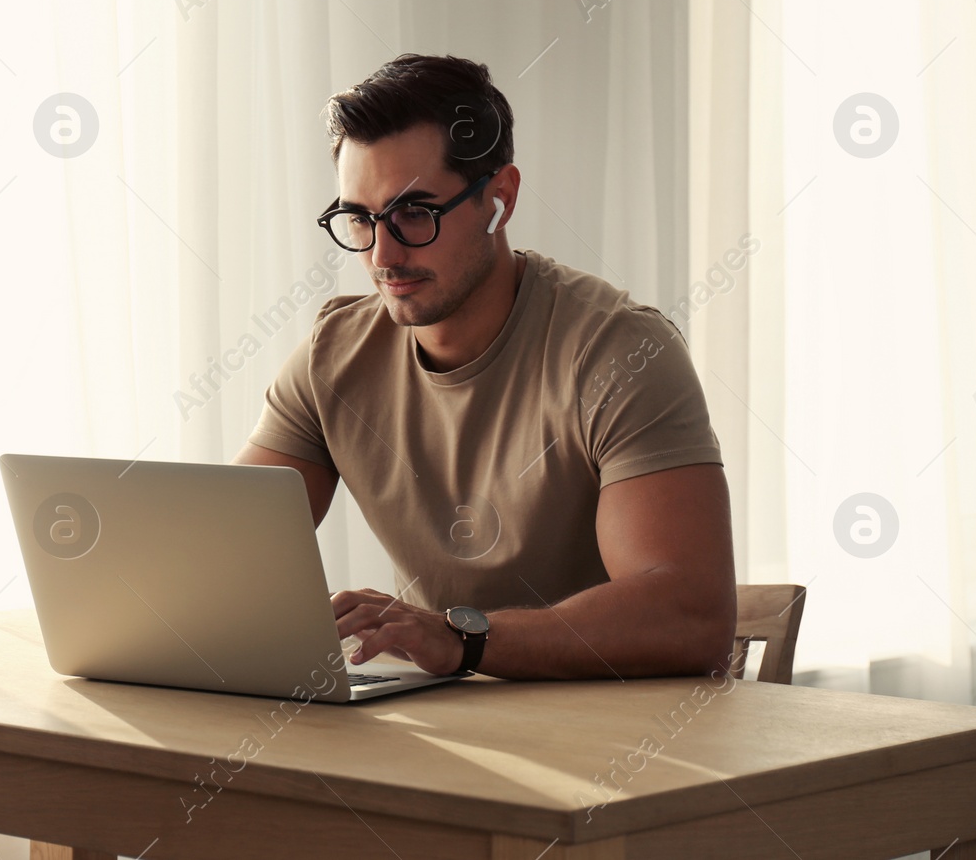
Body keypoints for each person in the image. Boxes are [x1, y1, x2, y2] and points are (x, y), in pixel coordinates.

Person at [233, 53, 735, 681]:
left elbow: (690, 616)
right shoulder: (333, 356)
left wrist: (462, 639)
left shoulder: (619, 351)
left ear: (500, 197)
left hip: (623, 741)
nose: (382, 254)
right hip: (451, 733)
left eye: (415, 213)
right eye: (359, 218)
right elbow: (227, 554)